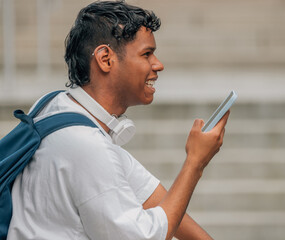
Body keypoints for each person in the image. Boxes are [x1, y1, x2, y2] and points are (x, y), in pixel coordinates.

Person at [7, 1, 230, 239]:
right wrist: (195, 162)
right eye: (147, 54)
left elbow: (153, 198)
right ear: (105, 59)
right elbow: (146, 236)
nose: (158, 65)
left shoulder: (55, 105)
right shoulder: (88, 147)